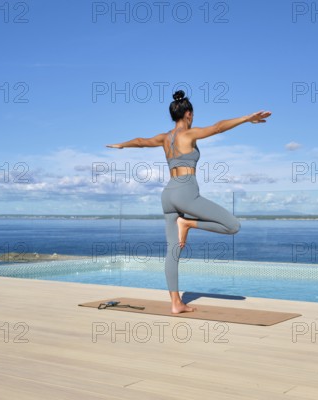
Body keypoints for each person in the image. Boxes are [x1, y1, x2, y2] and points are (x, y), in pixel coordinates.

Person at [107, 90, 271, 313]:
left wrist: (121, 145)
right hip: (186, 192)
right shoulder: (189, 134)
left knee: (172, 251)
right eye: (192, 116)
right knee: (233, 226)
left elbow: (141, 141)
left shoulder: (165, 138)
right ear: (188, 114)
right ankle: (188, 224)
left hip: (168, 195)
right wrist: (246, 118)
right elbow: (219, 126)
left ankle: (176, 303)